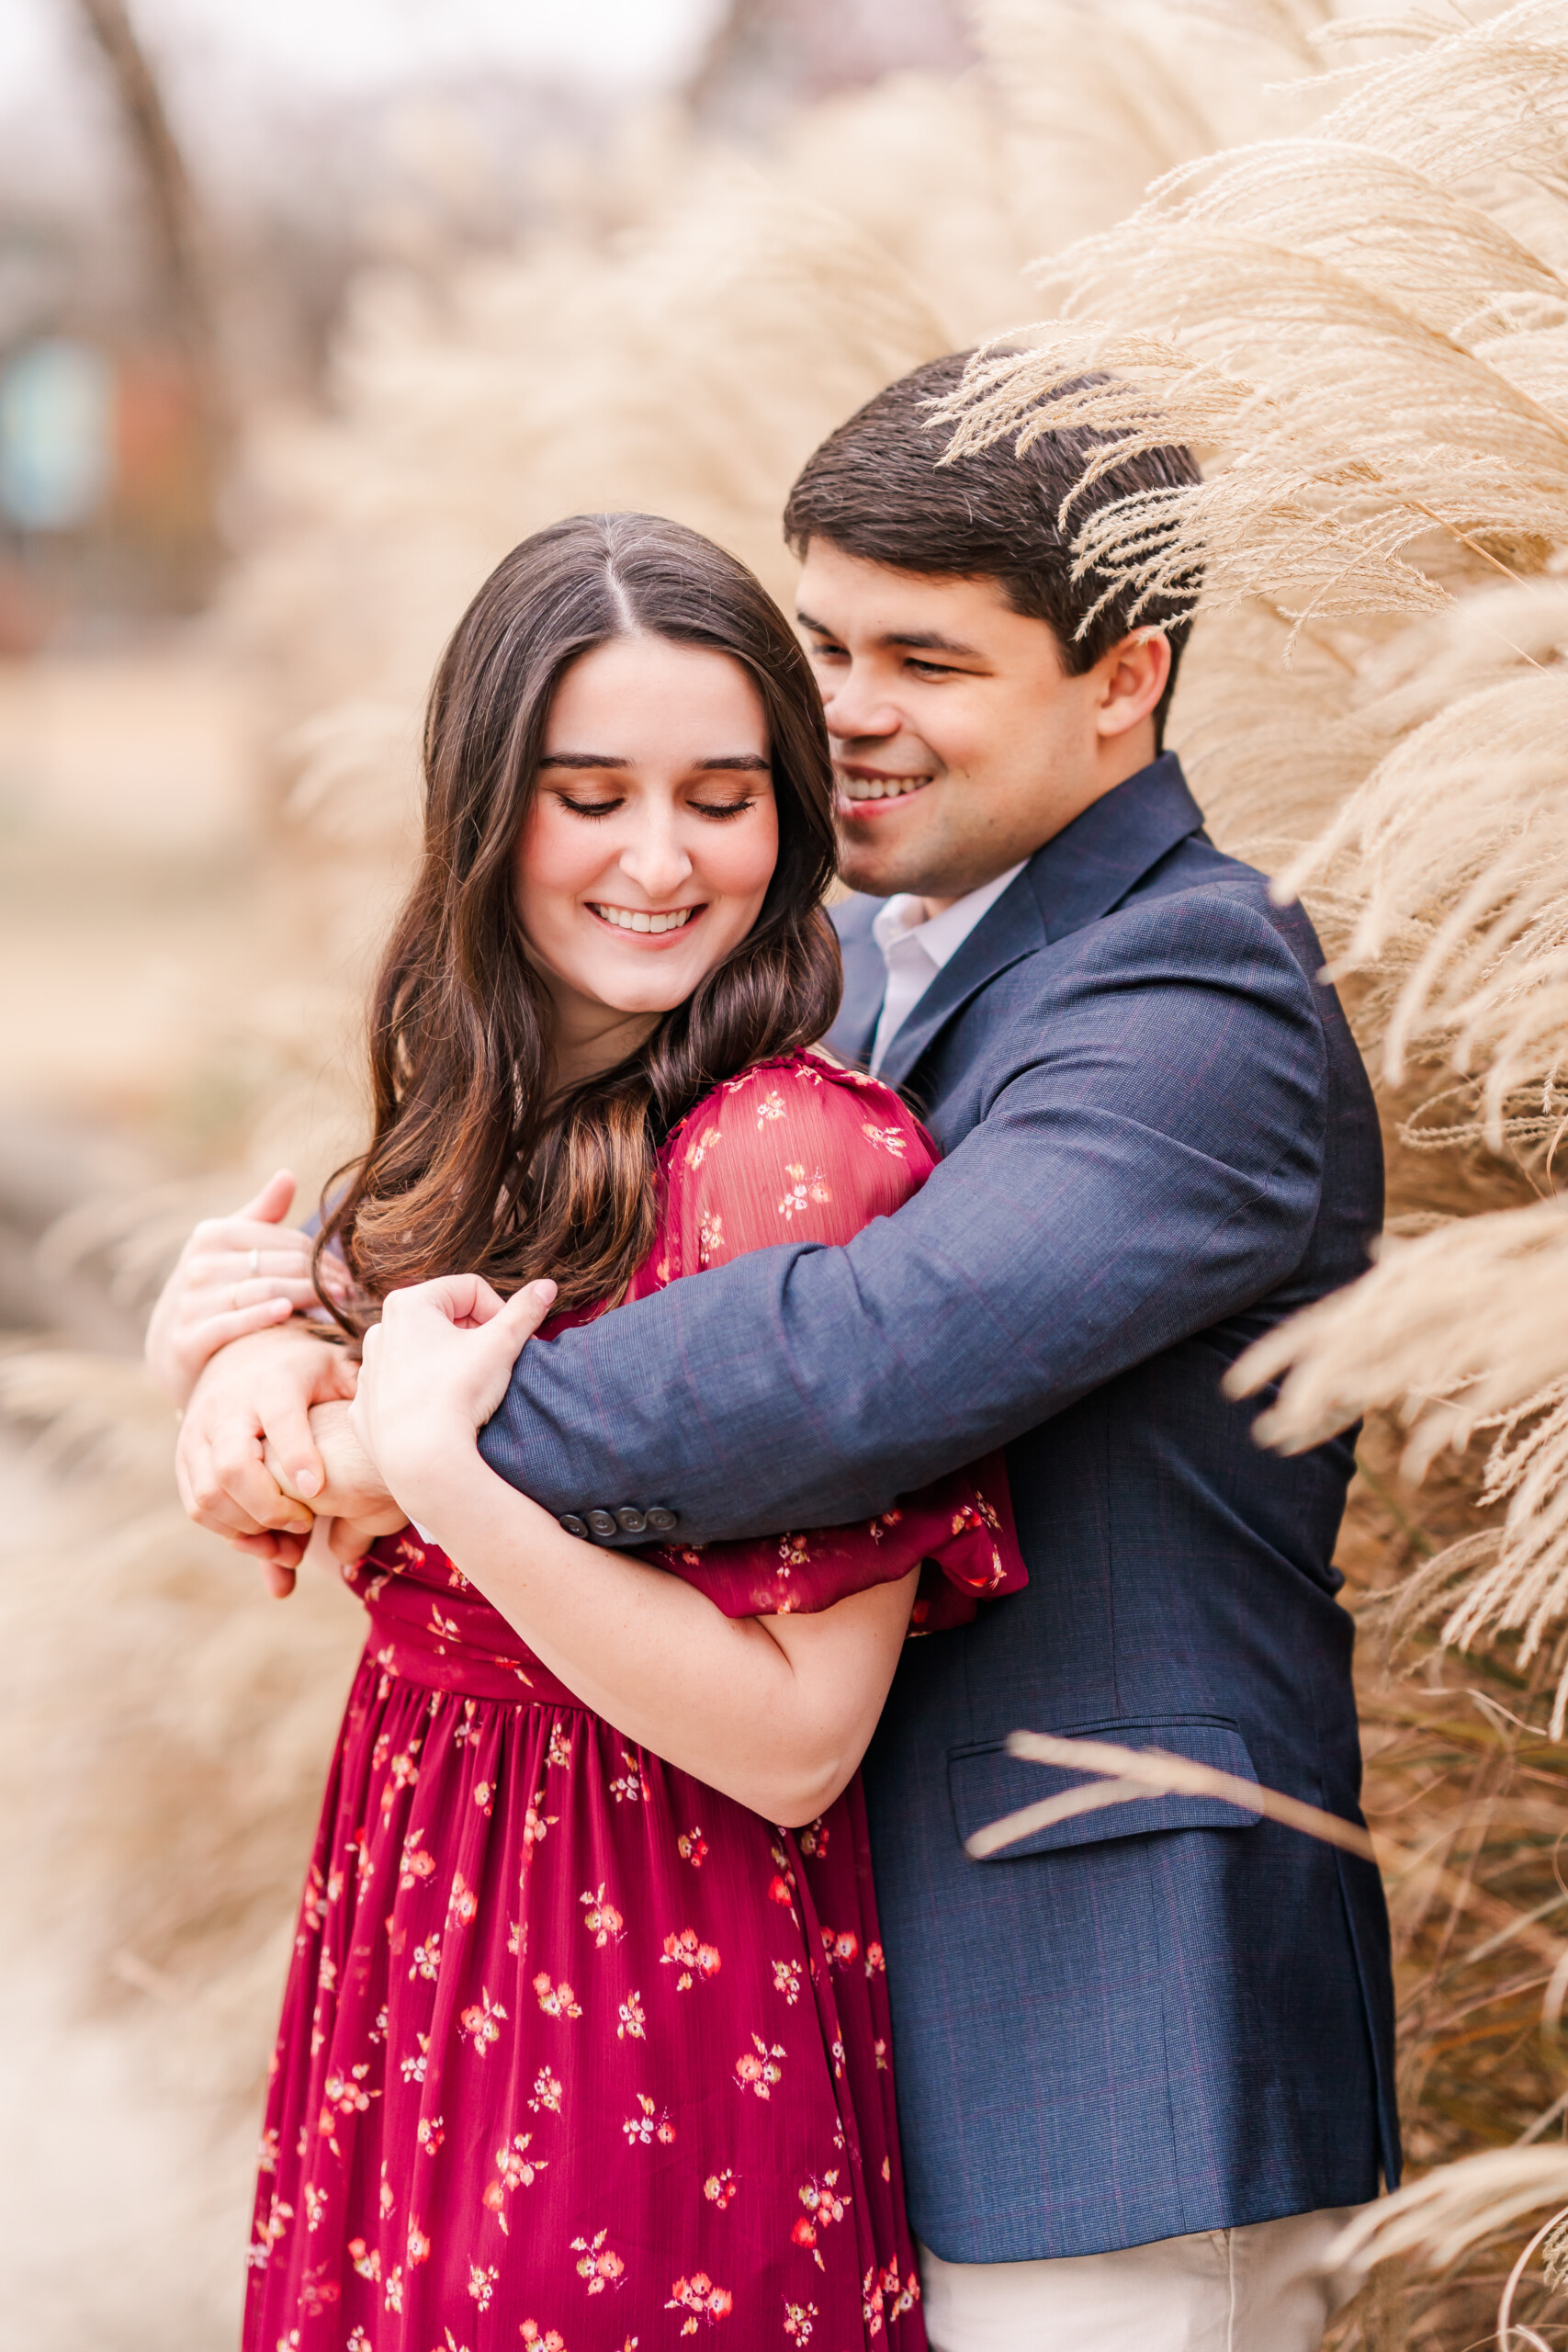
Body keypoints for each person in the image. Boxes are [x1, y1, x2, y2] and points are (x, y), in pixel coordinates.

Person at [164, 356, 1396, 2352]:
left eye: (926, 654)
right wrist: (258, 1327)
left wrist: (388, 1444)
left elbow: (848, 1359)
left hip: (1095, 2021)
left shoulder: (1191, 986)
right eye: (821, 638)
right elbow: (564, 1181)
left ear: (1120, 678)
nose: (847, 709)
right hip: (814, 2002)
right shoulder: (846, 949)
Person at [152, 511, 1032, 2348]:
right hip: (417, 1936)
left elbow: (798, 1739)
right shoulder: (471, 1137)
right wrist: (230, 1369)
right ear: (487, 811)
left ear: (788, 813)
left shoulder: (788, 1154)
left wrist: (452, 1481)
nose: (658, 858)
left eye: (719, 795)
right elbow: (307, 1424)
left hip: (647, 1994)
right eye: (589, 793)